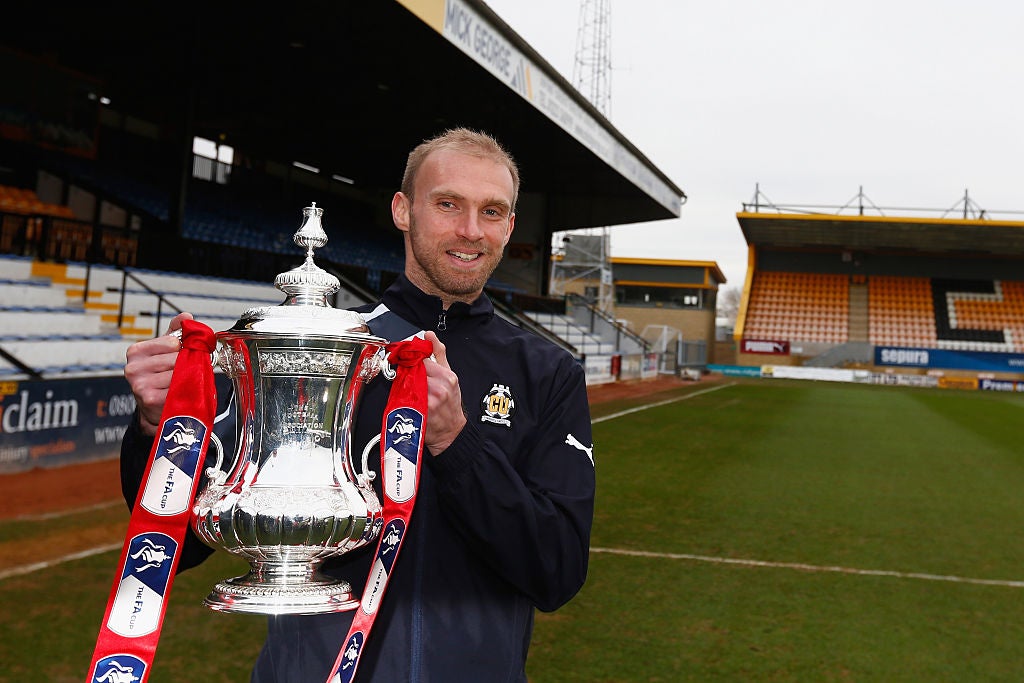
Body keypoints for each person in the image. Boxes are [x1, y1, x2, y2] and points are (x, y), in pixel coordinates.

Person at [119, 127, 596, 682]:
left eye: (492, 212)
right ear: (402, 210)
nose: (470, 230)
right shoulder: (312, 350)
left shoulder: (549, 372)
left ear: (510, 227)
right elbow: (177, 549)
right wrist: (158, 428)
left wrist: (457, 444)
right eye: (448, 204)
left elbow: (557, 571)